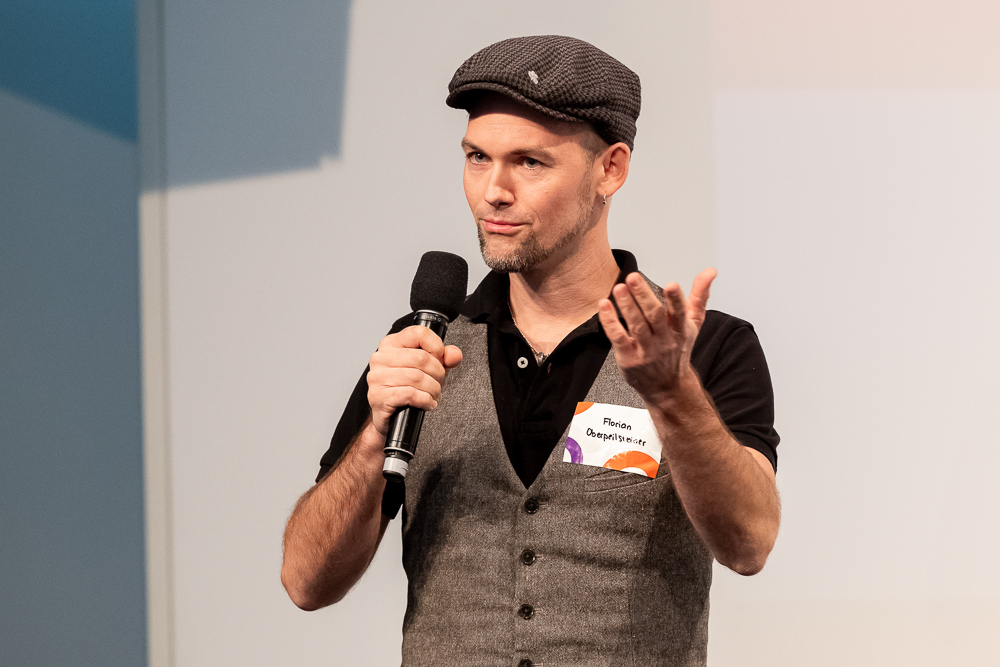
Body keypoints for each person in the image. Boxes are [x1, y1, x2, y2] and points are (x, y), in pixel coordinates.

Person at [281, 35, 780, 666]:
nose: (494, 190)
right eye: (477, 157)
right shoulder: (424, 344)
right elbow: (306, 582)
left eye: (530, 163)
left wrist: (674, 396)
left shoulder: (706, 348)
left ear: (611, 169)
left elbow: (749, 545)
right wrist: (375, 437)